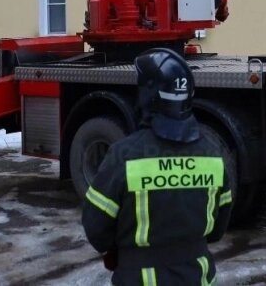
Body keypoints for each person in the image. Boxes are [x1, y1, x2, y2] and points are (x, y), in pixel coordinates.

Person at [81, 49, 232, 285]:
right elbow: (217, 229)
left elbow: (97, 230)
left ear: (147, 95)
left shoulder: (123, 155)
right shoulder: (214, 153)